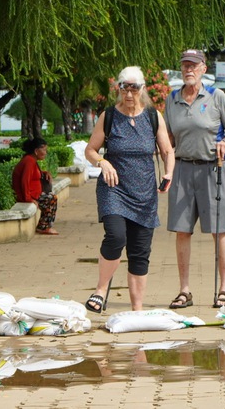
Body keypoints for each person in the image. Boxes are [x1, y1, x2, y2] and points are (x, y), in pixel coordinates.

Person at [84, 66, 175, 312]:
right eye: (125, 87)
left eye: (134, 87)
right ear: (119, 89)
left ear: (142, 89)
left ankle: (137, 309)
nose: (129, 93)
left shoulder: (153, 116)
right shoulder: (109, 116)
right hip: (113, 189)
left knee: (139, 252)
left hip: (144, 193)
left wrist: (168, 173)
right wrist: (103, 163)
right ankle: (101, 290)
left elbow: (167, 151)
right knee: (116, 236)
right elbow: (90, 150)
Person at [164, 49, 225, 309]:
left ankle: (224, 289)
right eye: (185, 65)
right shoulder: (172, 100)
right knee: (182, 230)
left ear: (203, 69)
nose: (189, 70)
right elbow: (168, 139)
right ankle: (184, 290)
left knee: (219, 230)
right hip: (183, 170)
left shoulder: (217, 97)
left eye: (194, 66)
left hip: (213, 169)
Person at [11, 137, 59, 235]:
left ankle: (44, 225)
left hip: (35, 194)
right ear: (36, 151)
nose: (46, 152)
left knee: (51, 198)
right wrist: (28, 199)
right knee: (51, 198)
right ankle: (44, 227)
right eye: (44, 150)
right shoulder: (29, 161)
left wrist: (45, 173)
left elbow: (34, 174)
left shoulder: (31, 160)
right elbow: (25, 180)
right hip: (29, 195)